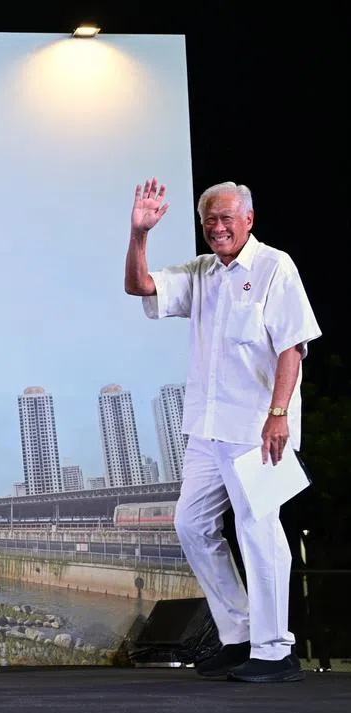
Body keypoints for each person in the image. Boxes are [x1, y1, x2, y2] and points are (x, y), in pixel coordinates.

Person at [124, 178, 321, 683]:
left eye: (226, 218)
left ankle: (275, 649)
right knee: (191, 525)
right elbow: (141, 286)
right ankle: (240, 635)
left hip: (257, 426)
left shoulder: (276, 266)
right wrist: (139, 235)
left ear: (249, 219)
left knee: (259, 528)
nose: (217, 227)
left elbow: (291, 346)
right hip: (207, 428)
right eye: (209, 220)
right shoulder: (202, 272)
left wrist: (279, 414)